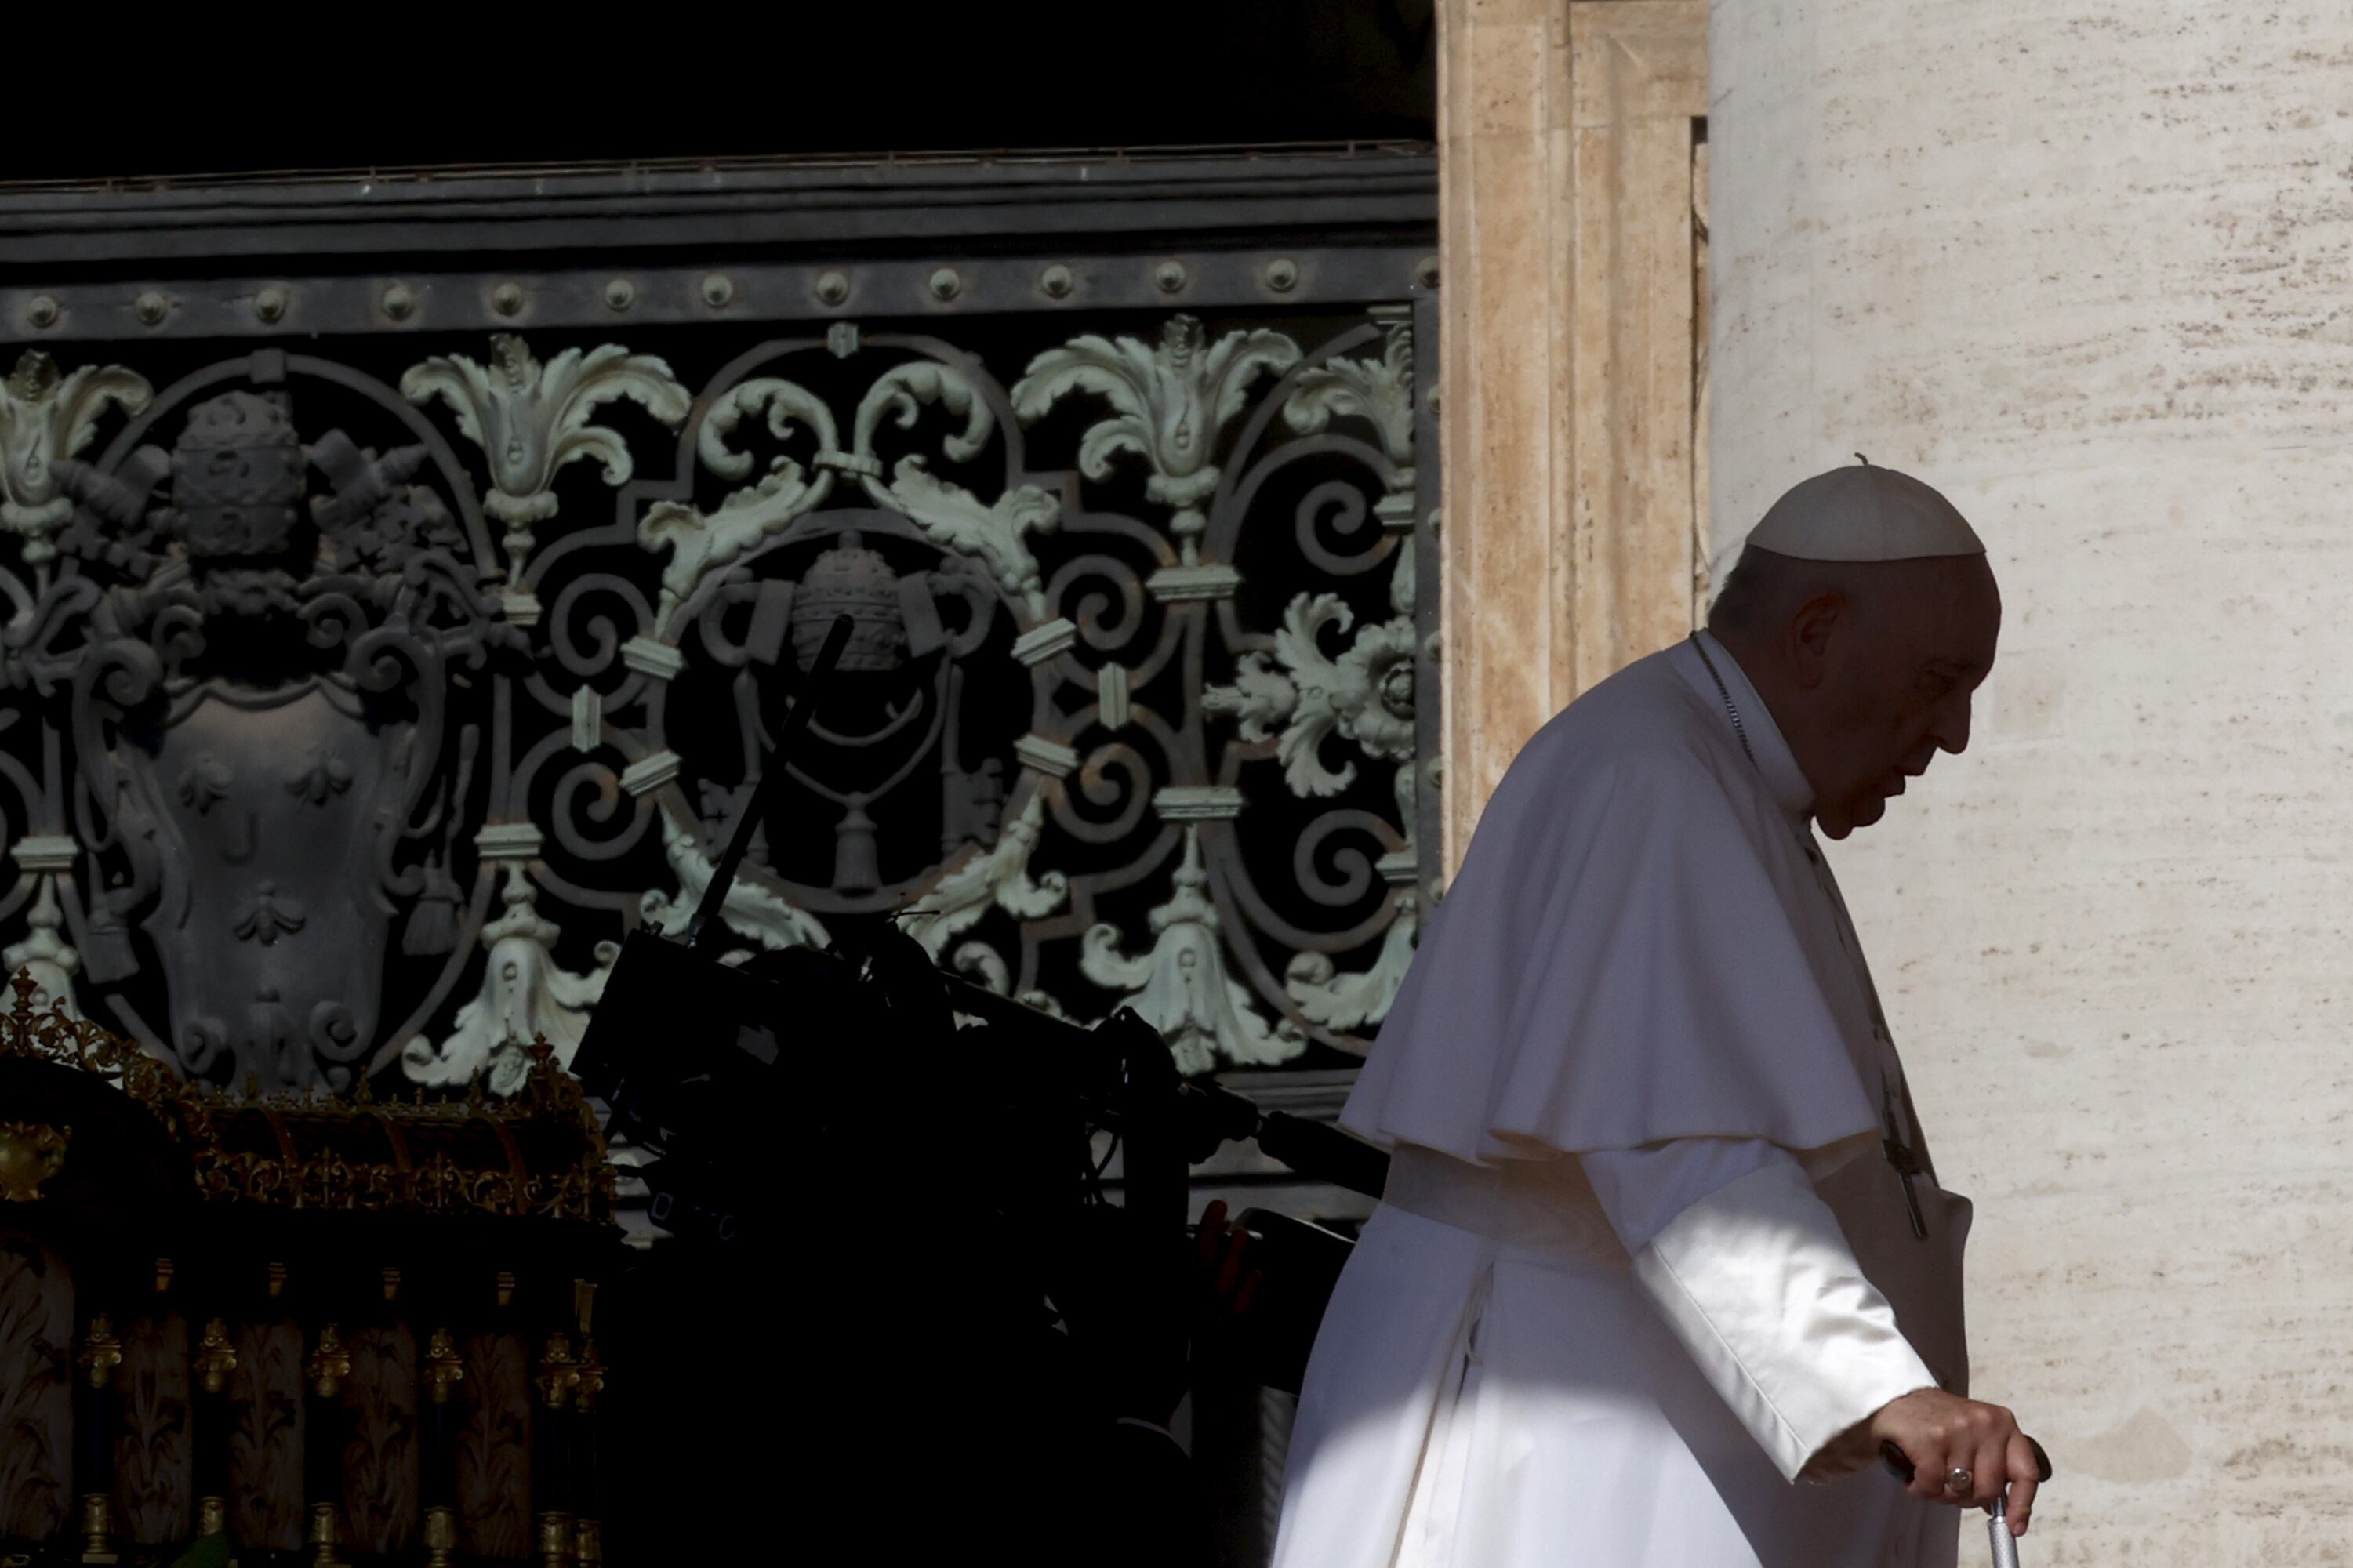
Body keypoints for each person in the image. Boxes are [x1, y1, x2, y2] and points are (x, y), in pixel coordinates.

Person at [1269, 461, 2046, 1568]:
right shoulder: (1653, 780)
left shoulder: (1720, 779)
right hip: (1563, 1432)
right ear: (1815, 633)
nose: (1955, 732)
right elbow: (1691, 1166)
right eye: (1936, 679)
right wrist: (1880, 1390)